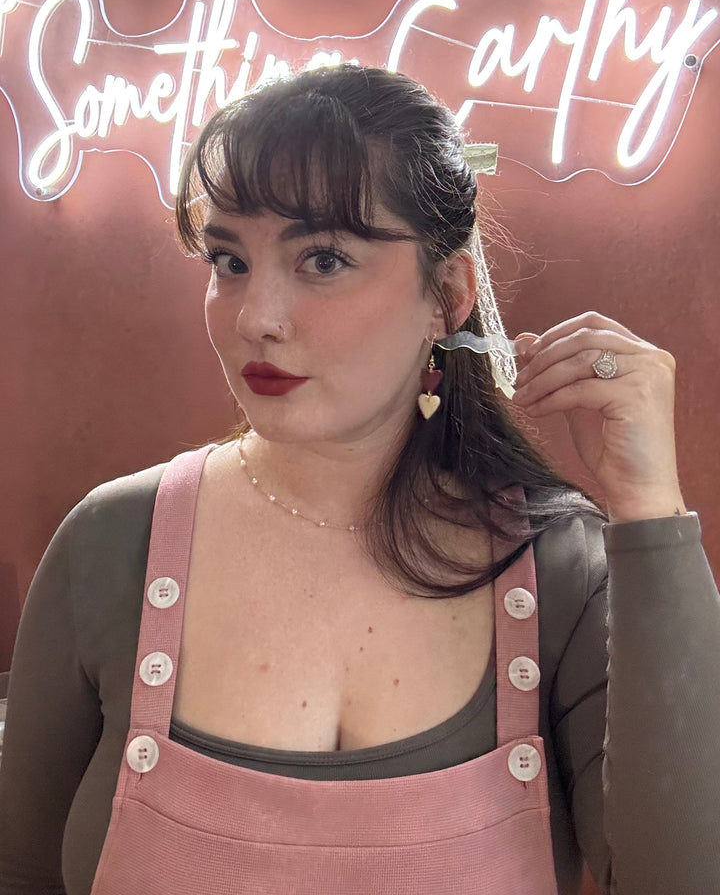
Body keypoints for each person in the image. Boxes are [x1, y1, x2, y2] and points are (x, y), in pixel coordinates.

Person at [0, 63, 718, 895]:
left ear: (446, 296)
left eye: (325, 259)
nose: (255, 317)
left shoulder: (557, 568)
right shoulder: (110, 546)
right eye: (229, 259)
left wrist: (649, 517)